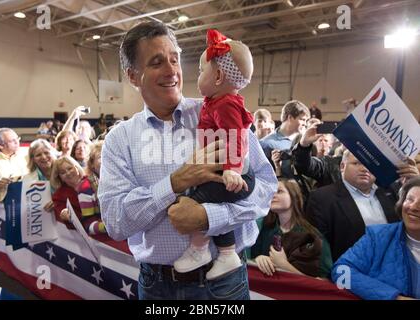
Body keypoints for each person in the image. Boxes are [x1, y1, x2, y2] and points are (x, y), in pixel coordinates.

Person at [99, 21, 276, 300]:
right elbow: (116, 222)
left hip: (224, 283)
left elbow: (265, 188)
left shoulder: (219, 109)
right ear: (133, 76)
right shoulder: (120, 139)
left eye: (174, 59)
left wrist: (208, 218)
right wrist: (175, 183)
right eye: (157, 62)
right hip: (157, 285)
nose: (172, 71)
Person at [170, 29, 255, 280]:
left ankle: (201, 249)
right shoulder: (214, 101)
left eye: (200, 71)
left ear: (217, 75)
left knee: (197, 203)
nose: (198, 76)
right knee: (213, 202)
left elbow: (235, 137)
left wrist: (232, 168)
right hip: (220, 167)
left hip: (230, 170)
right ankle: (225, 252)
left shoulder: (226, 103)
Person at [332, 176, 420, 300]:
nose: (414, 207)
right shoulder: (378, 236)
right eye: (410, 199)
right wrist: (393, 297)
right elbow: (340, 272)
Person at [306, 150, 399, 261]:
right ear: (342, 166)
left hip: (394, 264)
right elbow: (318, 247)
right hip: (351, 269)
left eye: (371, 165)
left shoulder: (391, 192)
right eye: (357, 163)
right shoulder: (322, 198)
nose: (365, 169)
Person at [251, 178, 332, 278]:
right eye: (271, 192)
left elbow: (325, 281)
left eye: (279, 191)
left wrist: (284, 265)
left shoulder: (312, 237)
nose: (273, 195)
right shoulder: (264, 230)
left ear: (295, 197)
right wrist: (258, 259)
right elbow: (250, 261)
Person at [77, 142, 106, 235]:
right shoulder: (86, 187)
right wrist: (109, 227)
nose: (106, 159)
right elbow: (89, 226)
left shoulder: (122, 180)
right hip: (106, 241)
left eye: (108, 155)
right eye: (100, 157)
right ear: (92, 164)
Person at [24, 139, 57, 211]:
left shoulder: (64, 171)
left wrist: (58, 202)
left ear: (52, 153)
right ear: (33, 159)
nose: (44, 157)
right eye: (38, 155)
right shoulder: (26, 179)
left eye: (46, 152)